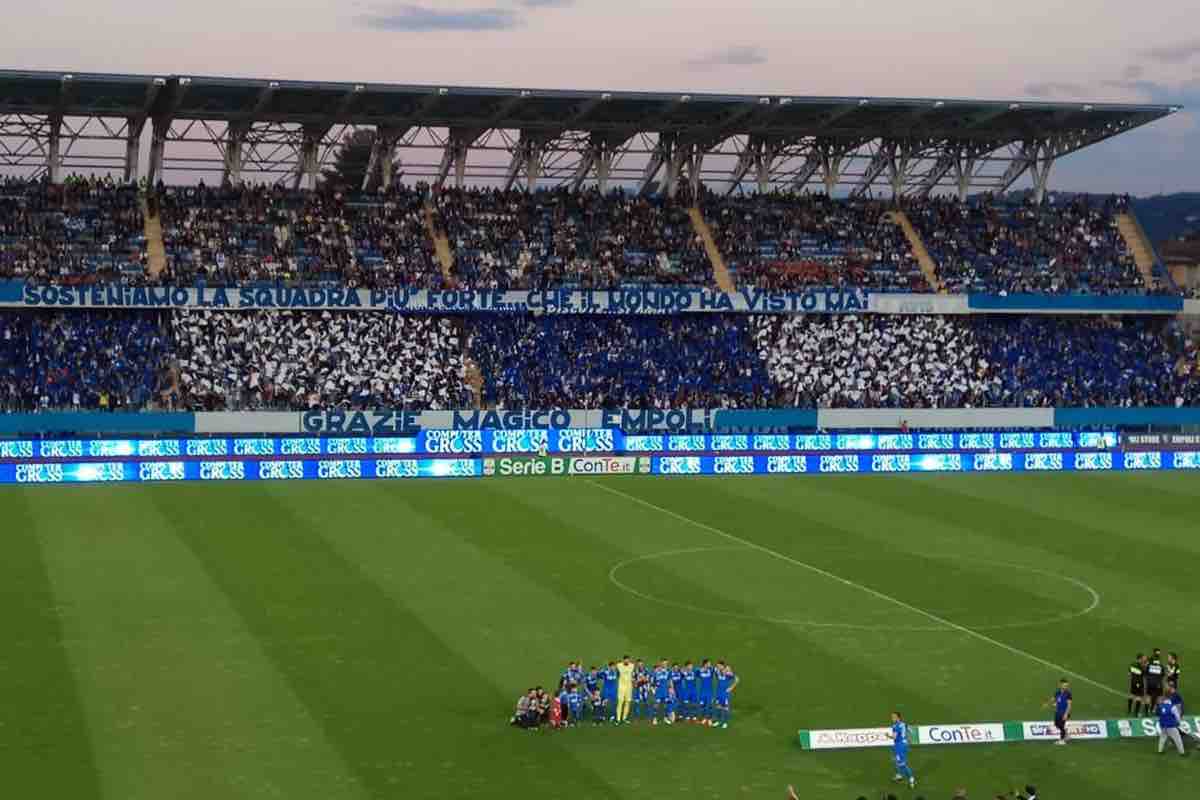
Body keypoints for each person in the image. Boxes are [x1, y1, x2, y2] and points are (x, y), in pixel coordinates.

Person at [1156, 685, 1186, 756]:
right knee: (1178, 739)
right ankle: (1182, 753)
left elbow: (1158, 714)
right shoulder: (1172, 707)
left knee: (1163, 737)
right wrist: (1178, 722)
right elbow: (1177, 716)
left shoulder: (1161, 706)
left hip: (1163, 725)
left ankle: (1160, 750)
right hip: (1171, 725)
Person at [889, 711, 916, 788]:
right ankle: (899, 775)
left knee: (902, 764)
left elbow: (894, 737)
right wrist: (908, 739)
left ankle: (911, 778)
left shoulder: (895, 726)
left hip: (899, 746)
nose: (892, 718)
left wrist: (887, 736)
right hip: (904, 744)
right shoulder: (903, 724)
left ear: (898, 717)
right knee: (897, 760)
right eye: (892, 717)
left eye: (894, 717)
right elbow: (911, 731)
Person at [1044, 678, 1072, 745]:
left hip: (1064, 713)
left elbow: (1069, 705)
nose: (1065, 687)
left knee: (1061, 725)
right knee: (1056, 724)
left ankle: (1062, 740)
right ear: (1060, 685)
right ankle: (1066, 734)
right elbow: (1053, 699)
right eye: (1064, 685)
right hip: (1058, 712)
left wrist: (1066, 714)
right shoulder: (1057, 692)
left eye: (1066, 686)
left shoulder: (1068, 694)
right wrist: (1047, 704)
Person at [714, 661, 738, 729]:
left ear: (722, 666)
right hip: (718, 692)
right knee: (718, 706)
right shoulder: (717, 671)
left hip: (725, 693)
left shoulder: (728, 673)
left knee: (725, 708)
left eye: (719, 666)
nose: (718, 667)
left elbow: (737, 679)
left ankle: (725, 723)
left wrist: (731, 688)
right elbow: (710, 668)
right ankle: (718, 721)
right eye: (717, 666)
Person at [615, 655, 636, 724]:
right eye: (625, 660)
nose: (627, 661)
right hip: (621, 687)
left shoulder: (632, 666)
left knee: (628, 702)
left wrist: (634, 682)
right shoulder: (619, 665)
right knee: (620, 702)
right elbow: (617, 673)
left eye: (628, 660)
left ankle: (624, 718)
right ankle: (618, 719)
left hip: (629, 687)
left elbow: (633, 675)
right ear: (623, 660)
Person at [653, 660, 673, 726]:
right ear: (661, 664)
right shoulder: (657, 671)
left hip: (665, 690)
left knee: (665, 704)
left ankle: (665, 718)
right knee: (657, 704)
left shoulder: (668, 671)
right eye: (663, 663)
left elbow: (670, 680)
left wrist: (671, 688)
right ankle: (655, 718)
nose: (665, 664)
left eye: (666, 663)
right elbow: (653, 680)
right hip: (659, 690)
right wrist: (654, 688)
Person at [697, 658, 716, 726]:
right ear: (705, 664)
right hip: (702, 691)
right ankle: (704, 718)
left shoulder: (711, 670)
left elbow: (718, 669)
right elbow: (693, 672)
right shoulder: (699, 670)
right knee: (702, 705)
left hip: (709, 691)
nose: (710, 664)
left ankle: (710, 719)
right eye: (708, 663)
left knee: (710, 705)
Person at [1129, 652, 1146, 717]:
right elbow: (1144, 674)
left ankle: (1129, 710)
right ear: (1140, 658)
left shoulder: (1132, 664)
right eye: (1143, 658)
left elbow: (1130, 673)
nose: (1144, 659)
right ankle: (1136, 713)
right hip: (1139, 683)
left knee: (1132, 695)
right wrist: (1145, 665)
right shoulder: (1141, 666)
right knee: (1139, 697)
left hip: (1133, 682)